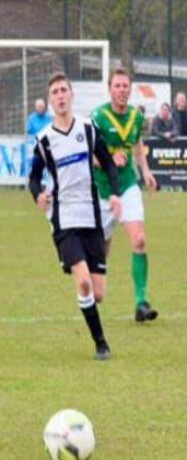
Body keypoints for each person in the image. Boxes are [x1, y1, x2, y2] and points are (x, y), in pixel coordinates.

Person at [29, 72, 122, 359]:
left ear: (71, 95)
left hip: (91, 218)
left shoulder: (88, 128)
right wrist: (38, 195)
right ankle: (101, 344)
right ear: (50, 99)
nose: (59, 96)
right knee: (82, 282)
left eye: (63, 90)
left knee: (99, 293)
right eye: (54, 91)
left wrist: (116, 193)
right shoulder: (44, 140)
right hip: (64, 220)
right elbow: (33, 178)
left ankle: (106, 240)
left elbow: (107, 161)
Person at [92, 67, 159, 323]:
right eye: (117, 86)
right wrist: (108, 160)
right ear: (110, 89)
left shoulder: (135, 116)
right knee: (101, 254)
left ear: (130, 89)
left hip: (128, 186)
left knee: (139, 239)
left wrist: (146, 172)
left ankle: (141, 303)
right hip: (103, 191)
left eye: (125, 86)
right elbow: (89, 154)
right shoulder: (98, 117)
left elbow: (138, 146)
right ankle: (95, 287)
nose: (121, 90)